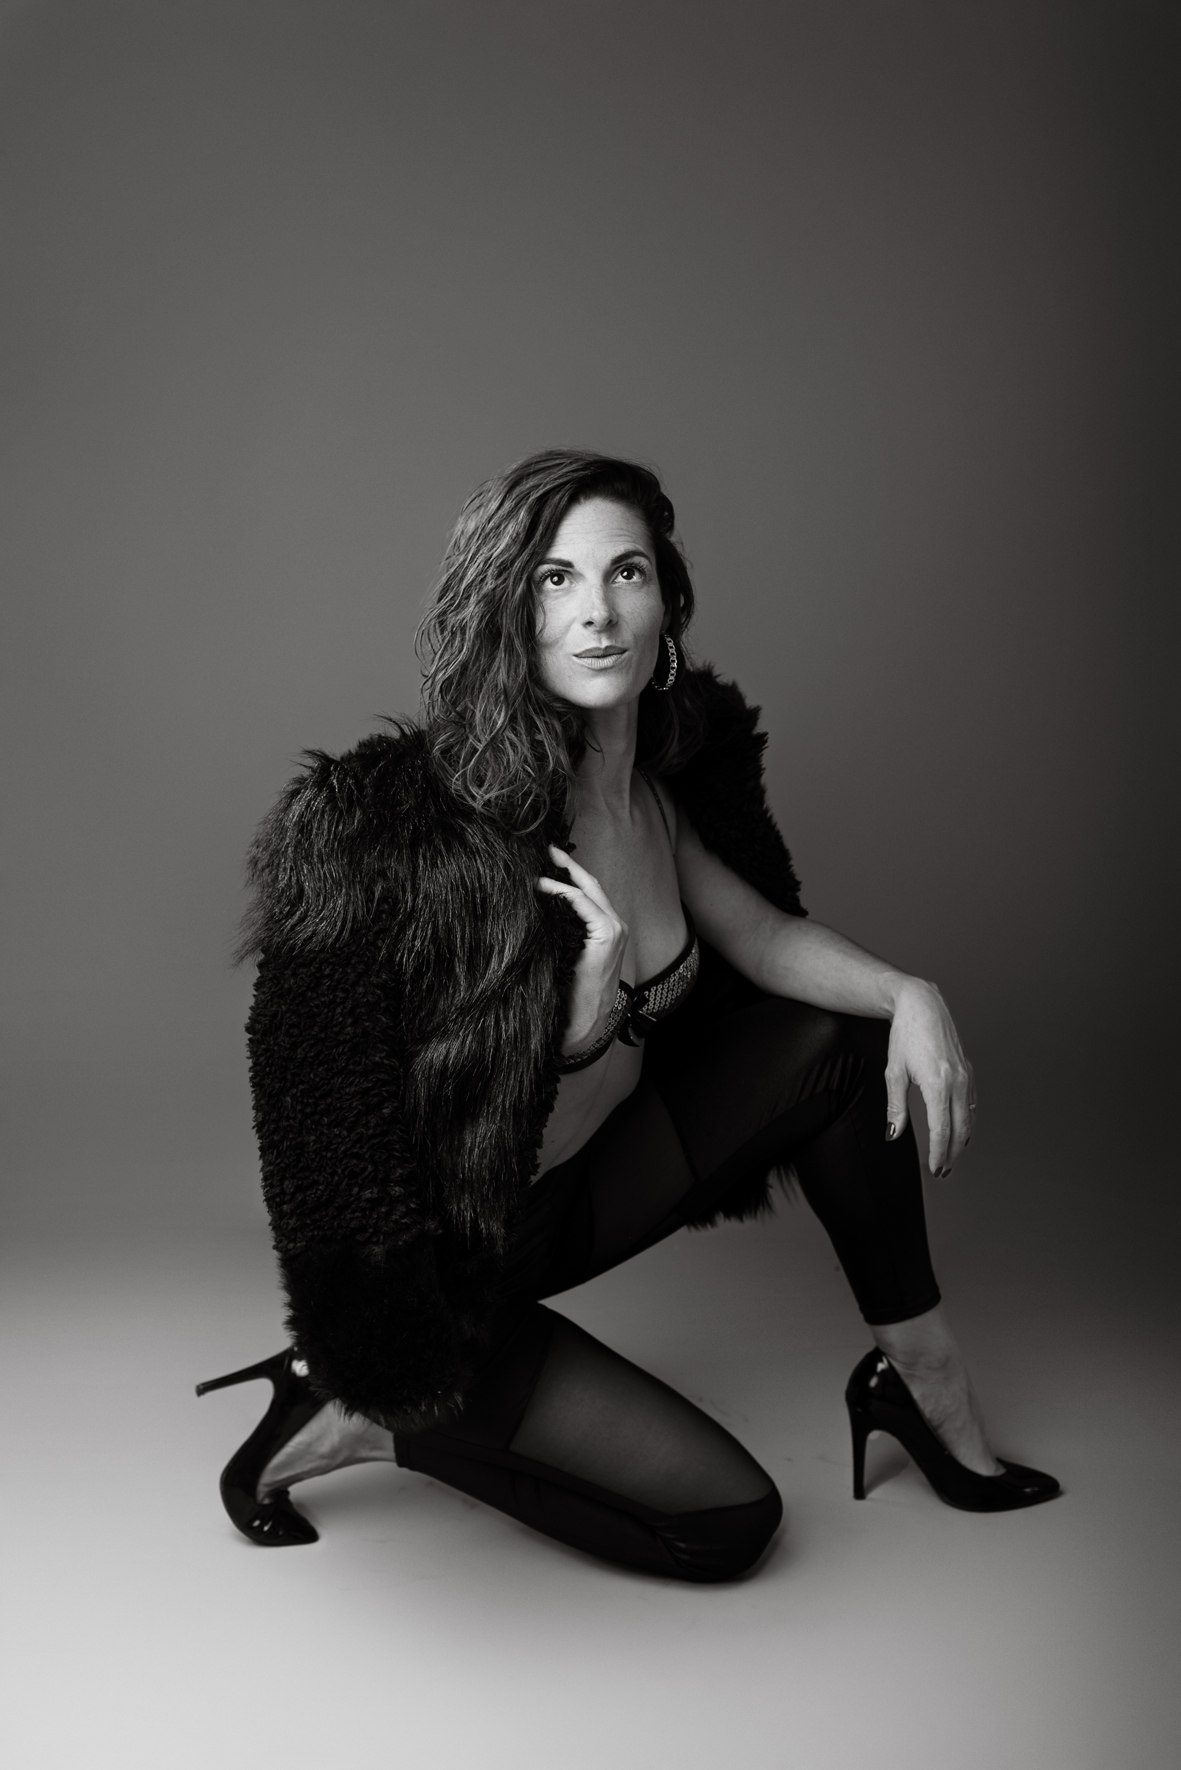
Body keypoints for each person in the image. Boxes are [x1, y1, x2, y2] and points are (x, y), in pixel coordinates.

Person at [198, 449, 1059, 1580]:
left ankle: (920, 1375)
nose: (597, 613)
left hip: (592, 1190)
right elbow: (444, 1151)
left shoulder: (652, 793)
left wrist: (911, 993)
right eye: (554, 579)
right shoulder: (442, 837)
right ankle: (363, 1416)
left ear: (666, 603)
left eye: (626, 573)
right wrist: (582, 1031)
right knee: (726, 1526)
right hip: (473, 1257)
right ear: (506, 612)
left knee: (846, 1043)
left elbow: (760, 937)